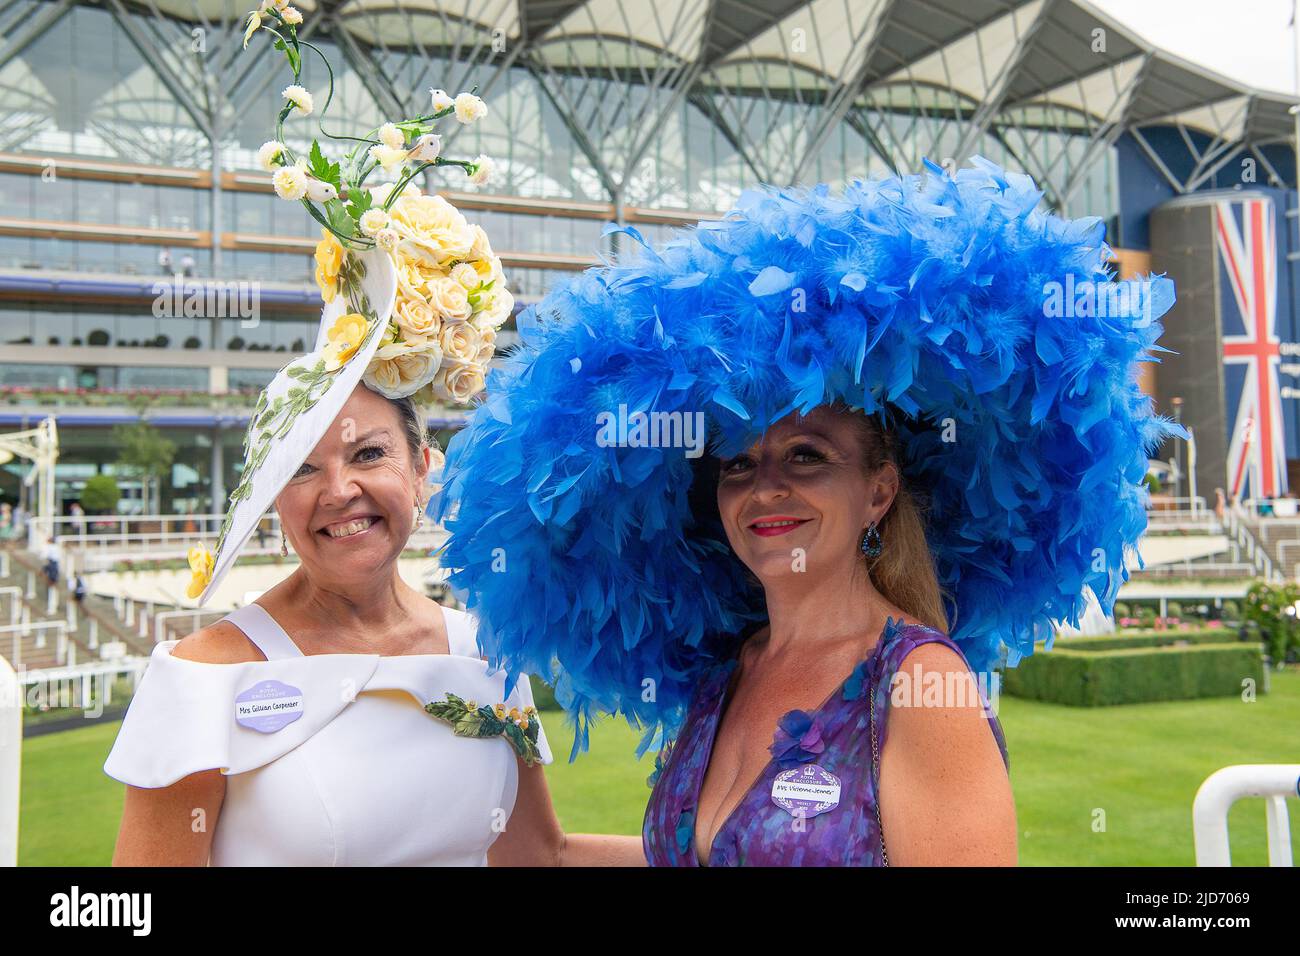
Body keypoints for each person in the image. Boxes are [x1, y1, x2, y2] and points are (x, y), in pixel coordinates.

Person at [434, 158, 1186, 865]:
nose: (765, 488)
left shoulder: (921, 686)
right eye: (737, 463)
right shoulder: (729, 670)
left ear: (879, 492)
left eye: (806, 456)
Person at [104, 19, 636, 867]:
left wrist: (725, 848)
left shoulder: (482, 653)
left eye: (368, 454)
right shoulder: (201, 677)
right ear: (273, 494)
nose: (338, 491)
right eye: (302, 467)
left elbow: (543, 856)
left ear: (425, 470)